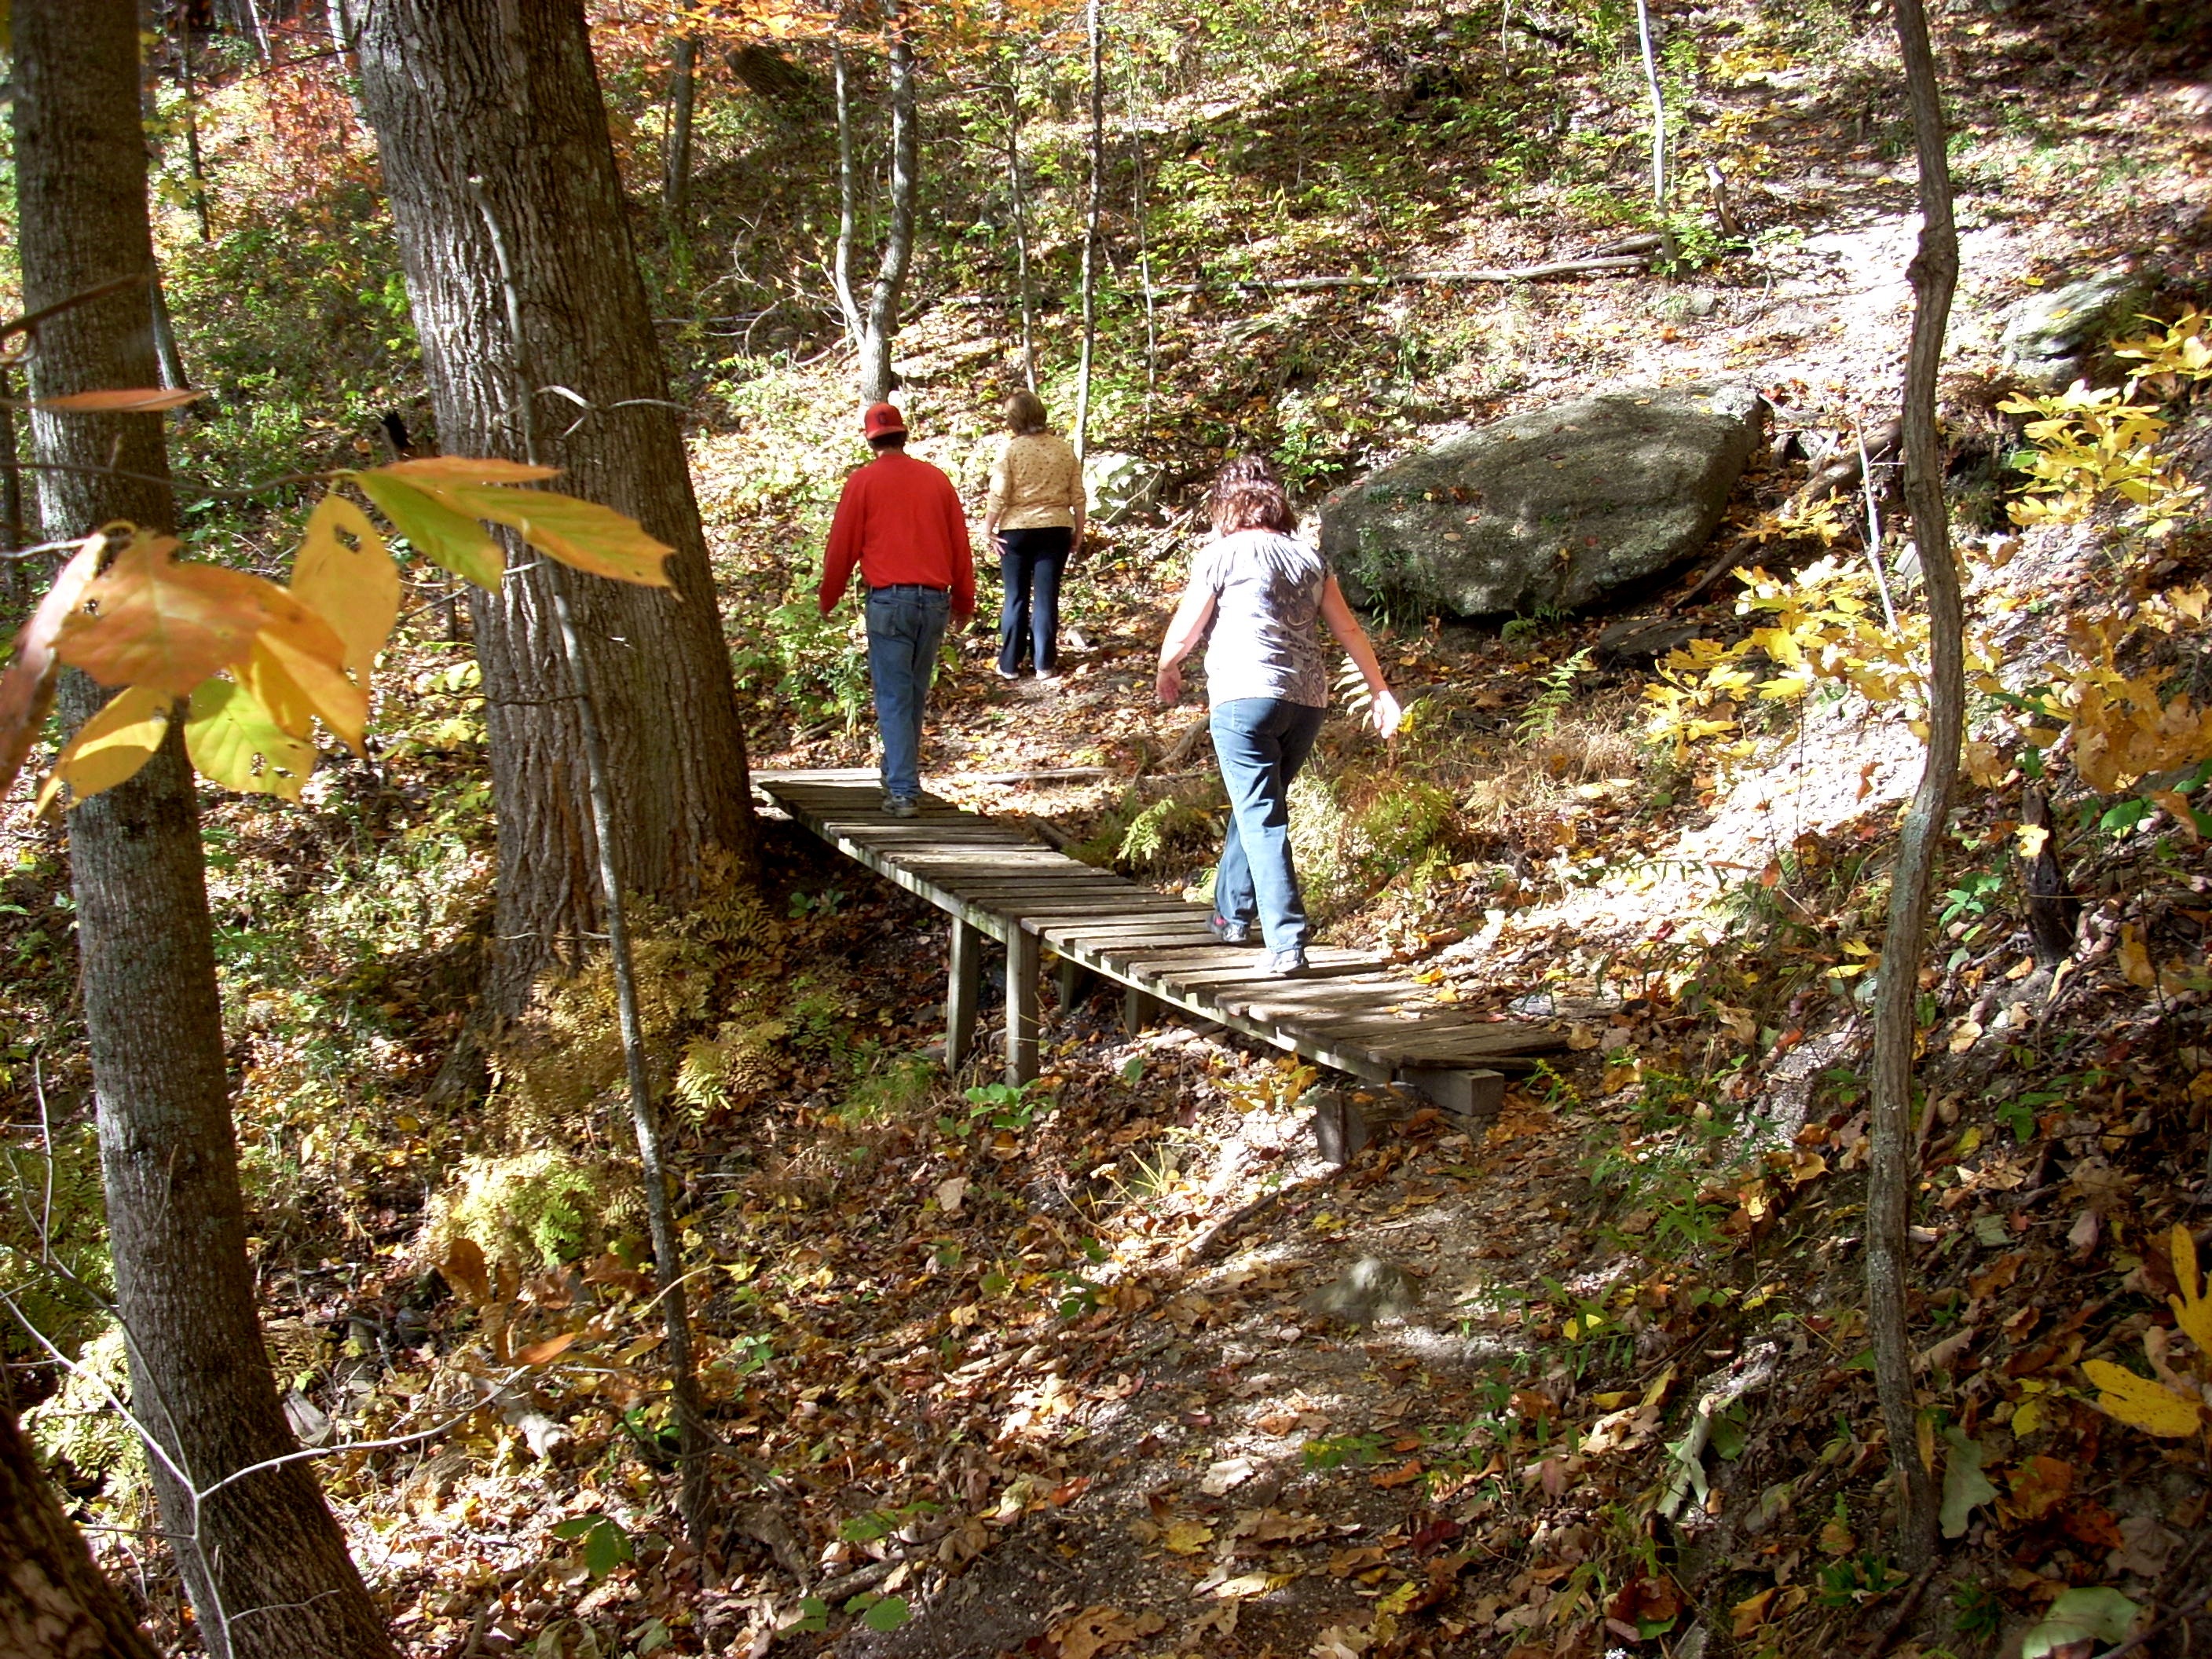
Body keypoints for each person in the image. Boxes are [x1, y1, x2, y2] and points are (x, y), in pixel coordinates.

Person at [1155, 457, 1401, 978]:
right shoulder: (1309, 558)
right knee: (1258, 806)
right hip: (1306, 702)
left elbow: (1185, 630)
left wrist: (1167, 667)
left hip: (1243, 696)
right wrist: (1380, 690)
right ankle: (1231, 915)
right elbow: (1349, 631)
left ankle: (1287, 941)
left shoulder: (1220, 554)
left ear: (1225, 506)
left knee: (1261, 814)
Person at [819, 401, 976, 817]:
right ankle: (896, 774)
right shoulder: (936, 481)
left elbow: (842, 546)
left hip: (889, 601)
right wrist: (964, 600)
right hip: (935, 600)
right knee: (913, 692)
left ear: (870, 439)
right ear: (904, 435)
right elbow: (959, 545)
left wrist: (829, 595)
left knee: (893, 695)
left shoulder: (863, 482)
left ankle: (904, 790)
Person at [980, 388, 1086, 681]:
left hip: (1016, 531)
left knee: (1015, 597)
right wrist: (1079, 530)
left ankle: (1010, 664)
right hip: (1056, 529)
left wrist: (987, 528)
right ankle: (1044, 663)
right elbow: (1078, 495)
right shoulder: (1063, 449)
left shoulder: (1010, 450)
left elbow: (999, 493)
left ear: (1013, 419)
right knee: (1046, 597)